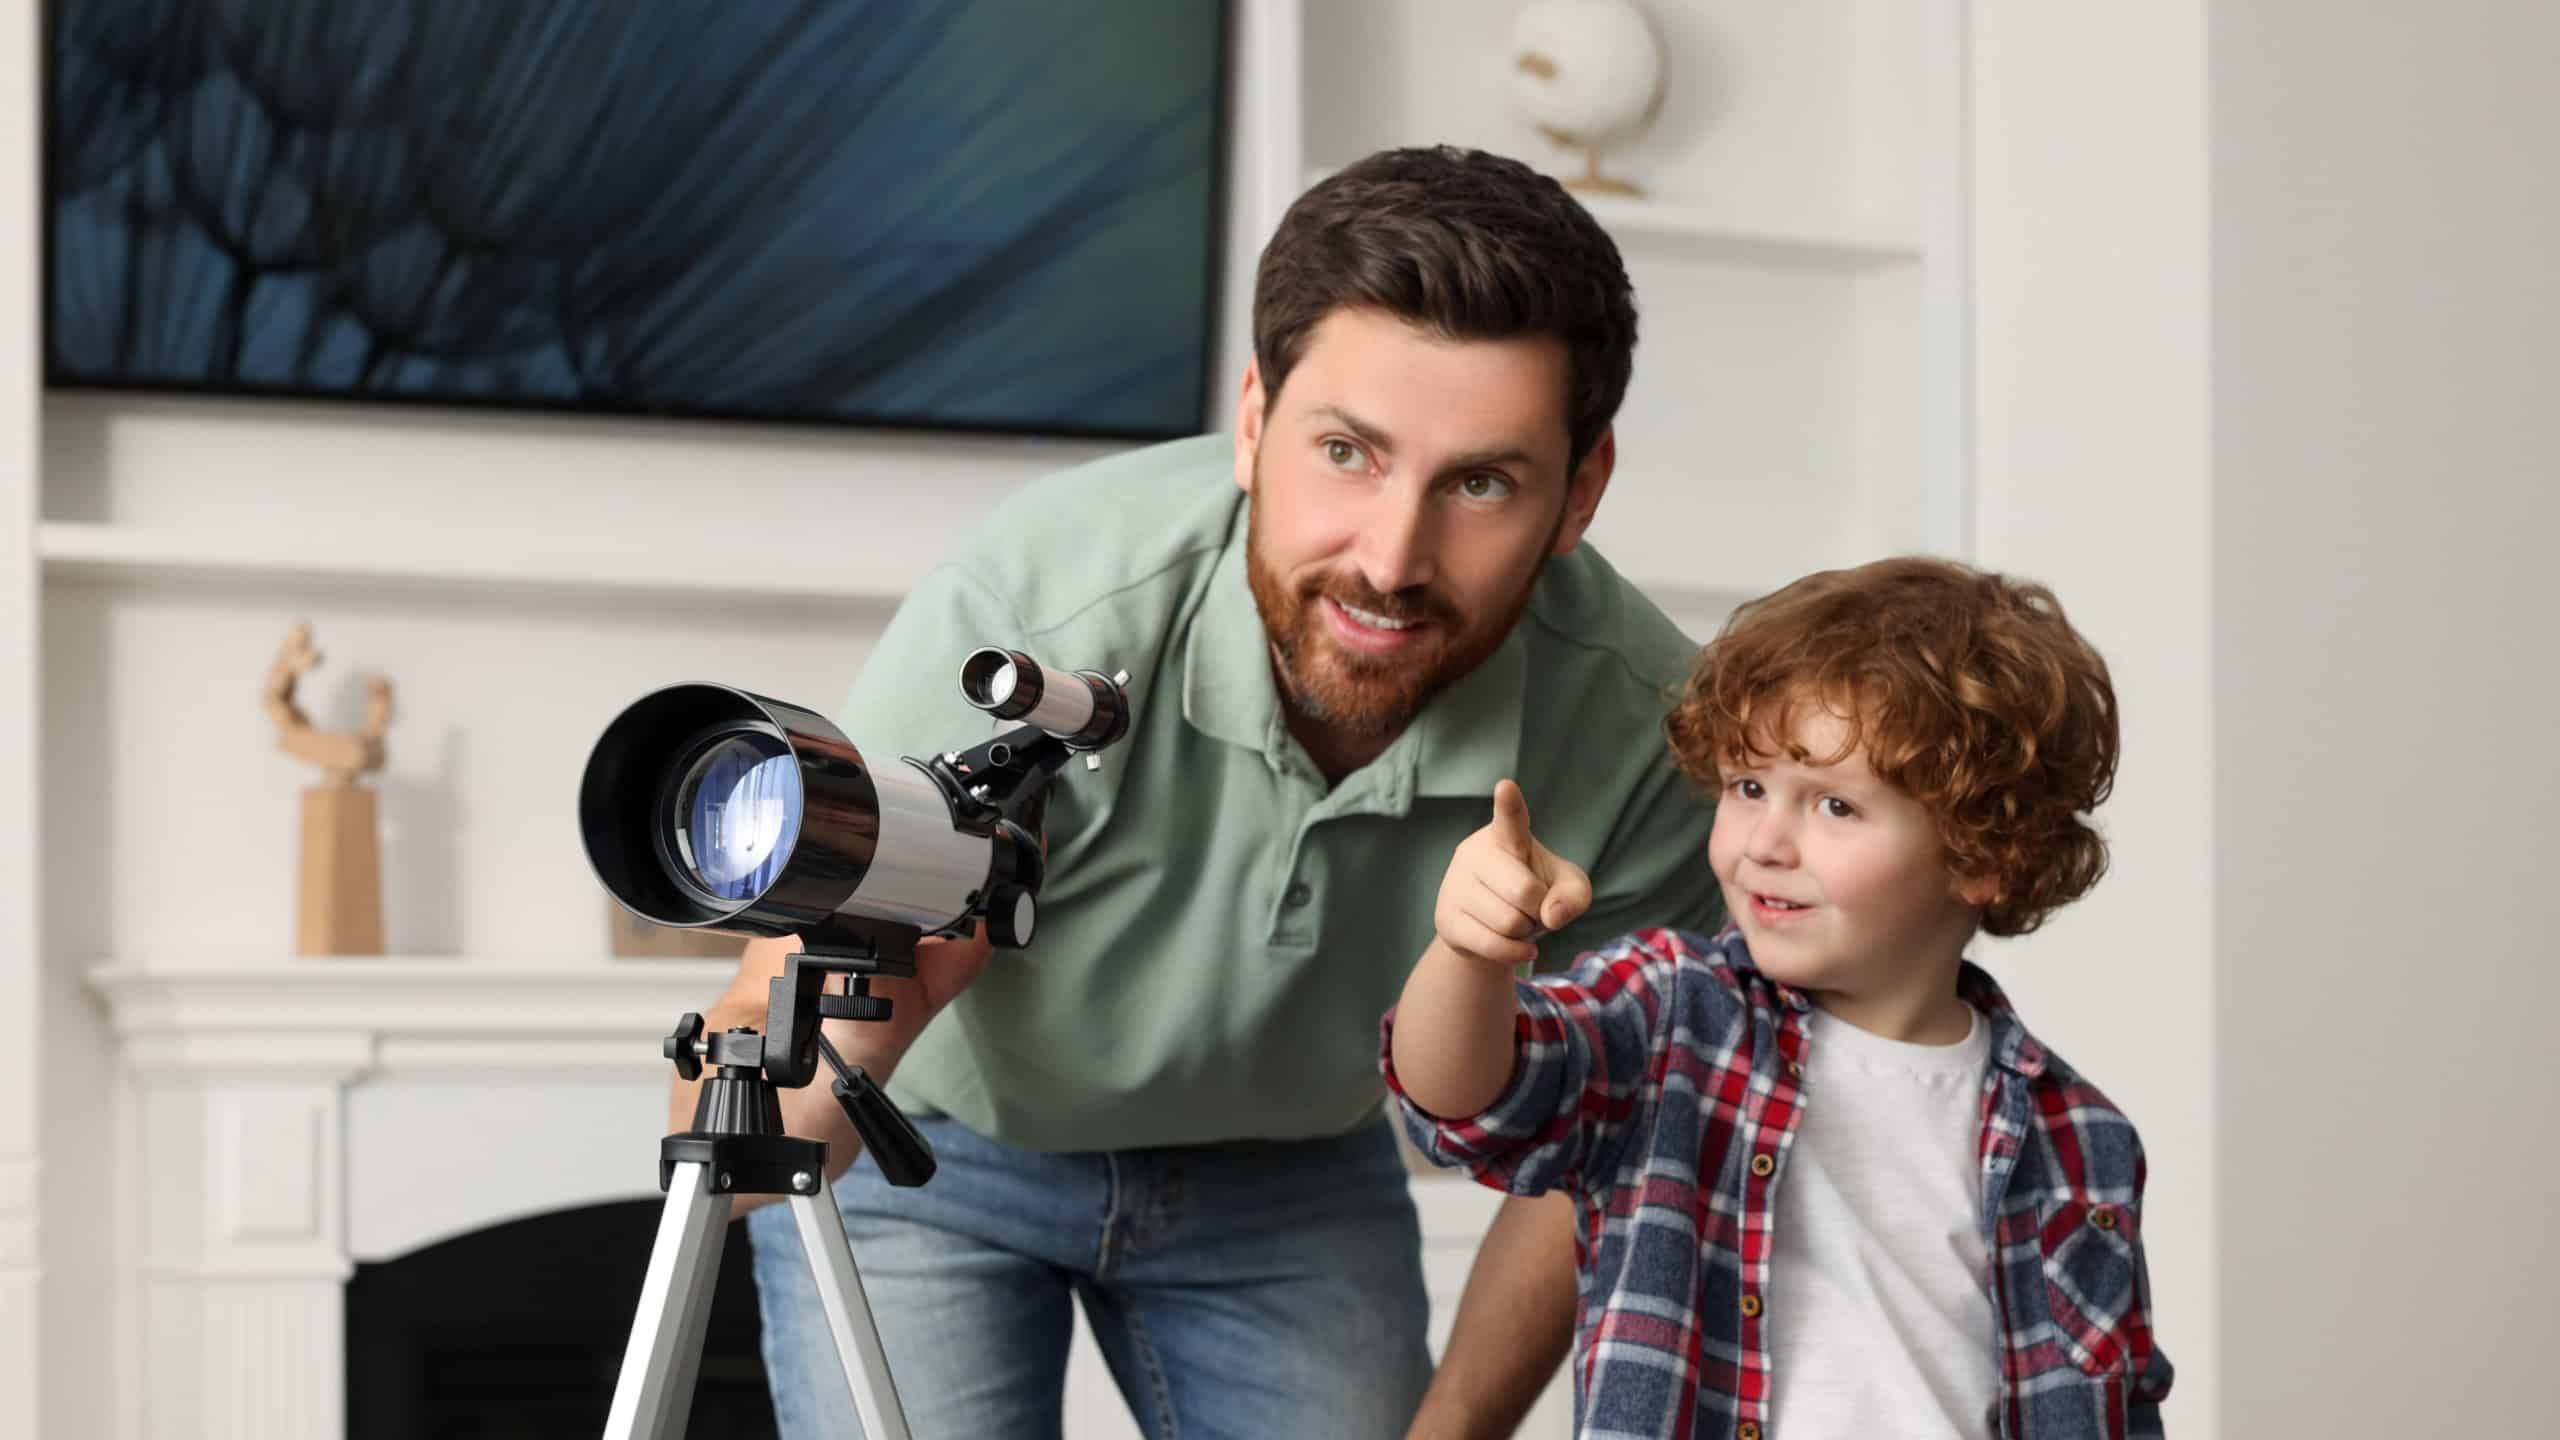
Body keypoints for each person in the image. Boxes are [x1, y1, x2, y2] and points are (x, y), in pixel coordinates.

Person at [668, 145, 1725, 1439]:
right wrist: (820, 1077)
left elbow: (1596, 1150)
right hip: (935, 1144)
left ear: (1582, 492)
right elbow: (758, 1072)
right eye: (1346, 452)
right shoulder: (1034, 615)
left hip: (1287, 1177)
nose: (1391, 559)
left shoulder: (1641, 734)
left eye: (1483, 482)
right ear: (1252, 423)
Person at [1384, 556, 2177, 1438]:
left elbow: (2117, 1408)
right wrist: (1469, 954)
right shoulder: (1673, 1013)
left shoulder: (2082, 1141)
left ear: (1985, 855)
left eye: (1834, 806)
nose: (1765, 841)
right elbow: (1463, 1094)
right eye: (1747, 786)